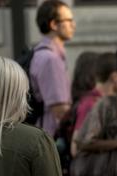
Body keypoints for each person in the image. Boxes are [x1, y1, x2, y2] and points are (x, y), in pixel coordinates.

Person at [30, 0, 75, 137]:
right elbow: (60, 110)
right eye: (68, 20)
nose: (73, 25)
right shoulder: (51, 60)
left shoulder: (38, 53)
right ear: (54, 24)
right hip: (49, 138)